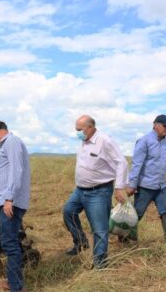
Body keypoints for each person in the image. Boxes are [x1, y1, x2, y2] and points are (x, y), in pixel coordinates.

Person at [63, 115, 128, 268]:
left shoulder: (105, 141)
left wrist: (119, 188)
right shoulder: (84, 142)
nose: (77, 133)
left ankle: (100, 264)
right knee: (68, 212)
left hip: (98, 192)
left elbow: (122, 162)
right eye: (76, 130)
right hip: (80, 191)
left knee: (99, 229)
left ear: (90, 127)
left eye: (79, 130)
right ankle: (81, 242)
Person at [124, 114, 166, 248]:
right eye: (165, 126)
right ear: (155, 125)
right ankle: (125, 237)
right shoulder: (144, 141)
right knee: (137, 213)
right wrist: (132, 185)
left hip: (161, 186)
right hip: (145, 186)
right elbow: (136, 164)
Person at [0, 119, 30, 292]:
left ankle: (16, 287)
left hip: (10, 202)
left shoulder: (11, 142)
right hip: (7, 200)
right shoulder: (9, 144)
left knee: (10, 244)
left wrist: (9, 198)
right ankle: (13, 282)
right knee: (10, 242)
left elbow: (16, 171)